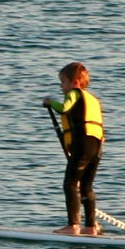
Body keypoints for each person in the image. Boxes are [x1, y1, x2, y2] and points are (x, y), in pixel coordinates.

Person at [41, 62, 105, 236]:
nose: (62, 87)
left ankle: (73, 225)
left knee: (70, 183)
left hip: (83, 143)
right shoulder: (92, 99)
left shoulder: (74, 94)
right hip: (97, 146)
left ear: (75, 82)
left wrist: (49, 102)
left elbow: (64, 108)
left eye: (63, 82)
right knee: (86, 187)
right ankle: (91, 227)